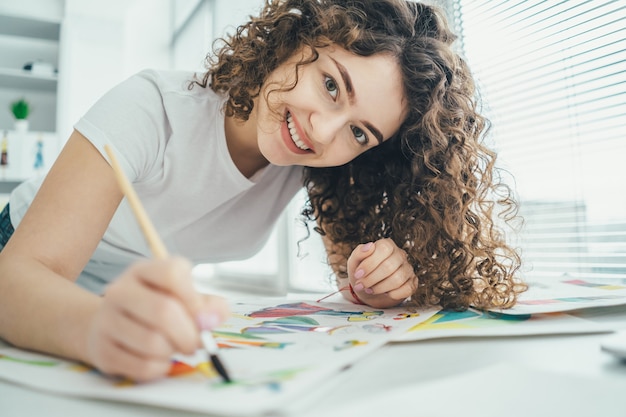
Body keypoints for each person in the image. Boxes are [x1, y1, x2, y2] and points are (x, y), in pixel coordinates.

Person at [0, 0, 526, 382]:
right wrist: (98, 328)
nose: (322, 132)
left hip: (113, 295)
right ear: (297, 39)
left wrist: (373, 280)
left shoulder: (314, 164)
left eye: (360, 133)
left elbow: (351, 276)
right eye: (330, 84)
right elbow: (16, 281)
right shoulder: (151, 109)